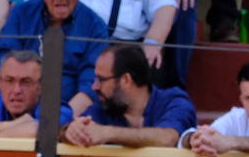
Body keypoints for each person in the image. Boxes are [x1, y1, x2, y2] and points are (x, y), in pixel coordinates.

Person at [0, 0, 108, 116]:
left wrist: (61, 118)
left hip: (67, 112)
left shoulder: (95, 26)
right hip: (14, 108)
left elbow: (89, 87)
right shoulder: (22, 13)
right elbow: (3, 59)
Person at [63, 43, 194, 147]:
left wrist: (107, 132)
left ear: (126, 80)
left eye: (101, 79)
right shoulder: (104, 106)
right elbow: (72, 130)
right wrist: (70, 131)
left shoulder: (174, 101)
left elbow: (167, 138)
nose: (94, 87)